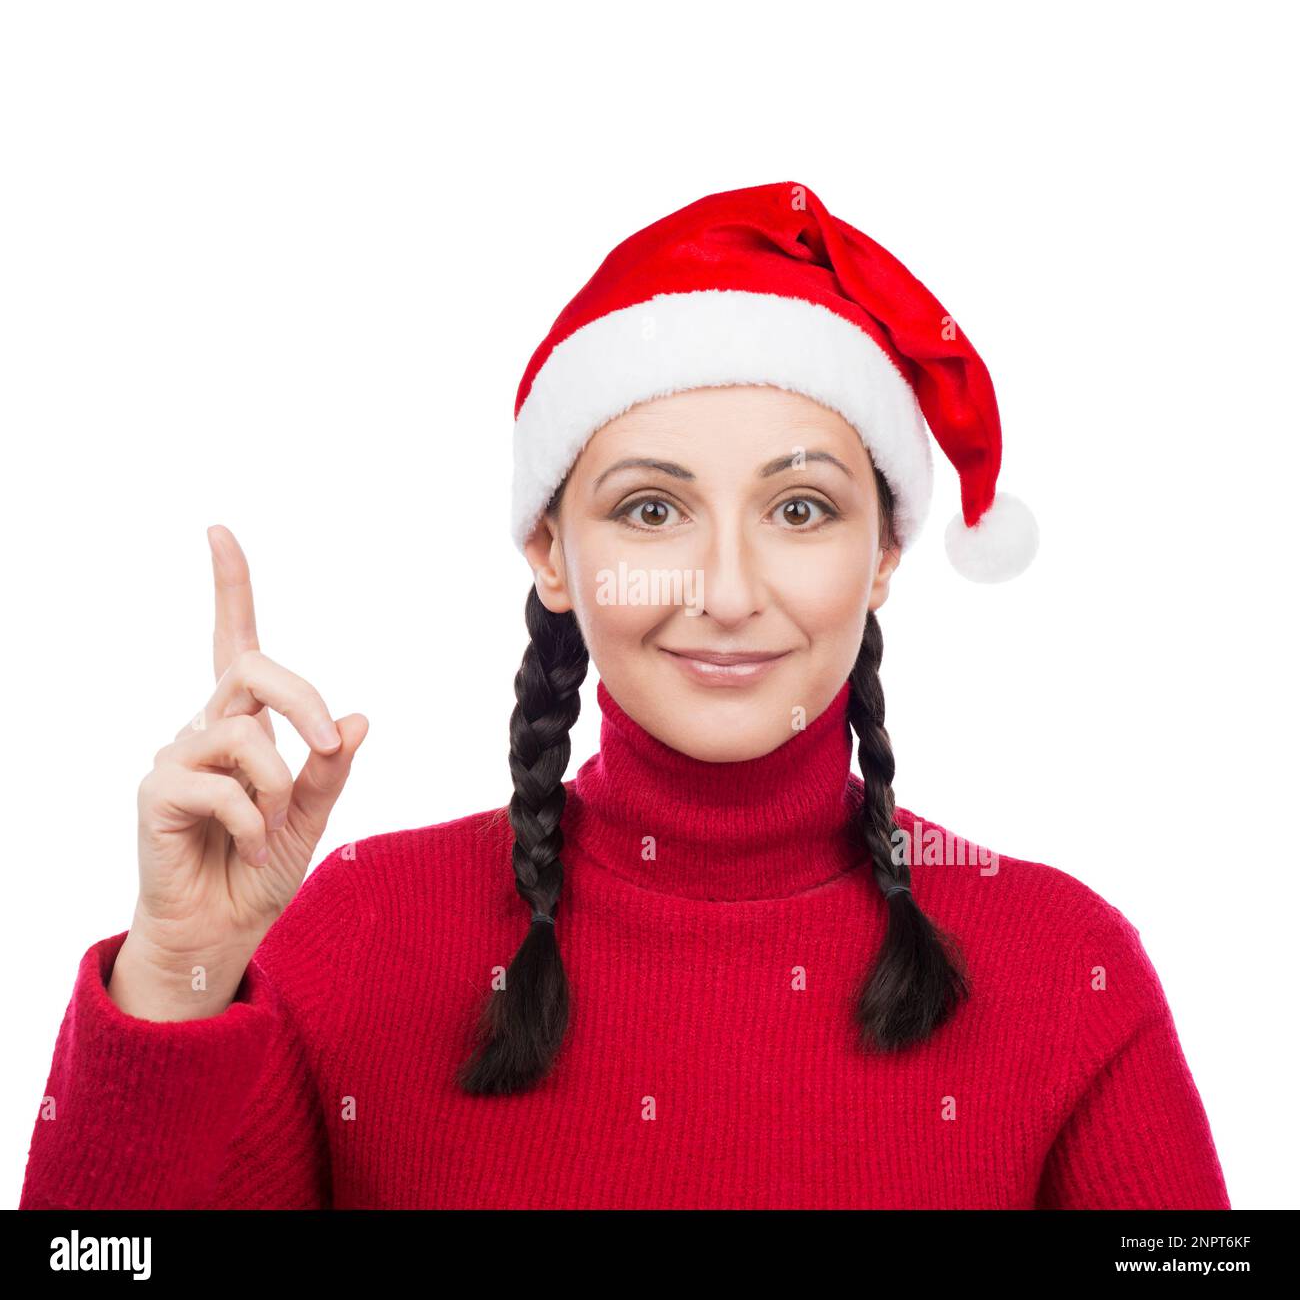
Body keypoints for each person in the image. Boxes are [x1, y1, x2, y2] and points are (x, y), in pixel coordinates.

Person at [18, 181, 1230, 1209]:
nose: (726, 589)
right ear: (551, 553)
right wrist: (174, 973)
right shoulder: (358, 933)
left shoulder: (1068, 969)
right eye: (651, 509)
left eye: (798, 509)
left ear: (886, 555)